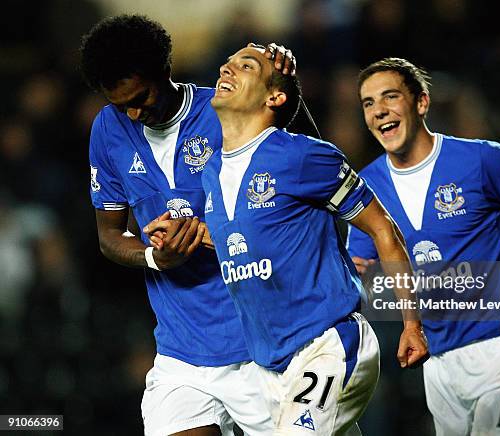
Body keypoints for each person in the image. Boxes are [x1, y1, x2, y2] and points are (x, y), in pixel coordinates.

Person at [146, 45, 428, 435]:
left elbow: (384, 229)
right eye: (228, 63)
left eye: (246, 66)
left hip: (328, 345)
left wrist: (412, 323)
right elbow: (246, 237)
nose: (227, 68)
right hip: (269, 366)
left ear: (274, 97)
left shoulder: (302, 157)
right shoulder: (212, 172)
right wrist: (183, 234)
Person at [80, 15, 295, 436]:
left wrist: (286, 91)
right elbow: (108, 234)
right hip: (183, 356)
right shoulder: (108, 129)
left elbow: (303, 181)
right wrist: (154, 257)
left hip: (264, 347)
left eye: (140, 97)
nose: (133, 113)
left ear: (165, 70)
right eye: (121, 103)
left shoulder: (225, 109)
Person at [348, 58, 500, 435]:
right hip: (438, 363)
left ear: (421, 103)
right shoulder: (367, 186)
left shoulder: (481, 160)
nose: (379, 111)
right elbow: (360, 268)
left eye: (390, 97)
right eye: (369, 103)